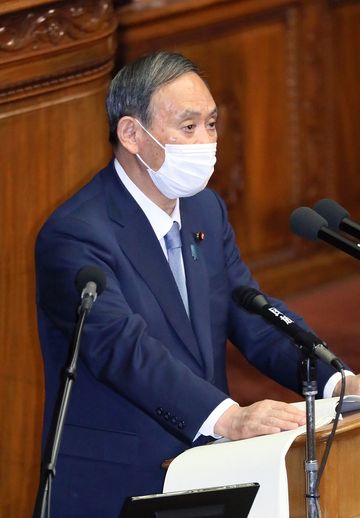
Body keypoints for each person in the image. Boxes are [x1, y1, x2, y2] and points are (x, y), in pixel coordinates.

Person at [35, 51, 360, 517]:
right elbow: (124, 351)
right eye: (188, 127)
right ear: (131, 134)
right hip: (118, 483)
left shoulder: (204, 210)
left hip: (207, 473)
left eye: (211, 124)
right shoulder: (75, 234)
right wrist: (229, 417)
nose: (206, 141)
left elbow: (252, 313)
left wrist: (335, 380)